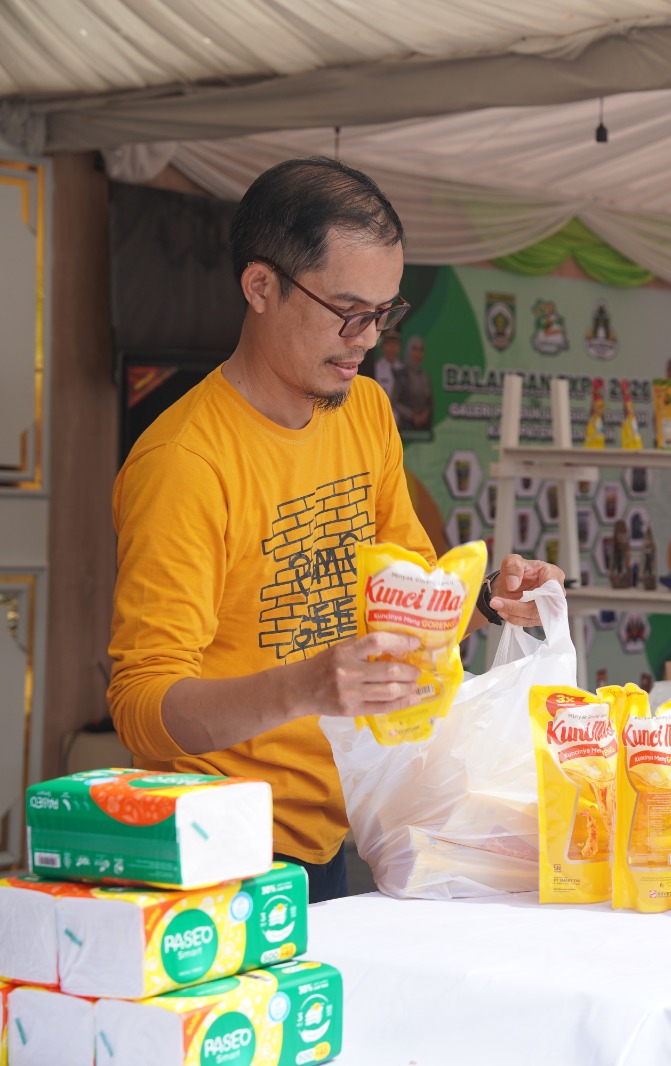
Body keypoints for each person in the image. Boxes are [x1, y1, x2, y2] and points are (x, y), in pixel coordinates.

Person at [107, 157, 563, 903]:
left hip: (339, 829)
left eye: (384, 313)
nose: (368, 340)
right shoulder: (185, 462)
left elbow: (411, 586)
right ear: (261, 287)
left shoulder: (366, 411)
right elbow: (142, 708)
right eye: (347, 311)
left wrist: (485, 599)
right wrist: (306, 687)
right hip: (219, 853)